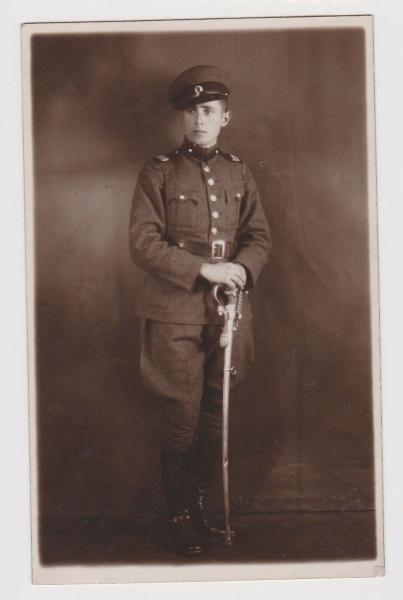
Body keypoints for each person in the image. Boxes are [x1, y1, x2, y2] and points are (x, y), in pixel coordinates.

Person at [129, 65, 271, 556]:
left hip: (227, 314)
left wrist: (241, 271)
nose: (198, 119)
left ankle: (203, 503)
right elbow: (143, 243)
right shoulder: (159, 170)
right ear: (182, 117)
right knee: (181, 416)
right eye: (190, 111)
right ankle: (179, 513)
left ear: (225, 116)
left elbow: (258, 237)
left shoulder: (238, 171)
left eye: (208, 111)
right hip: (173, 312)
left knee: (216, 414)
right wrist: (203, 269)